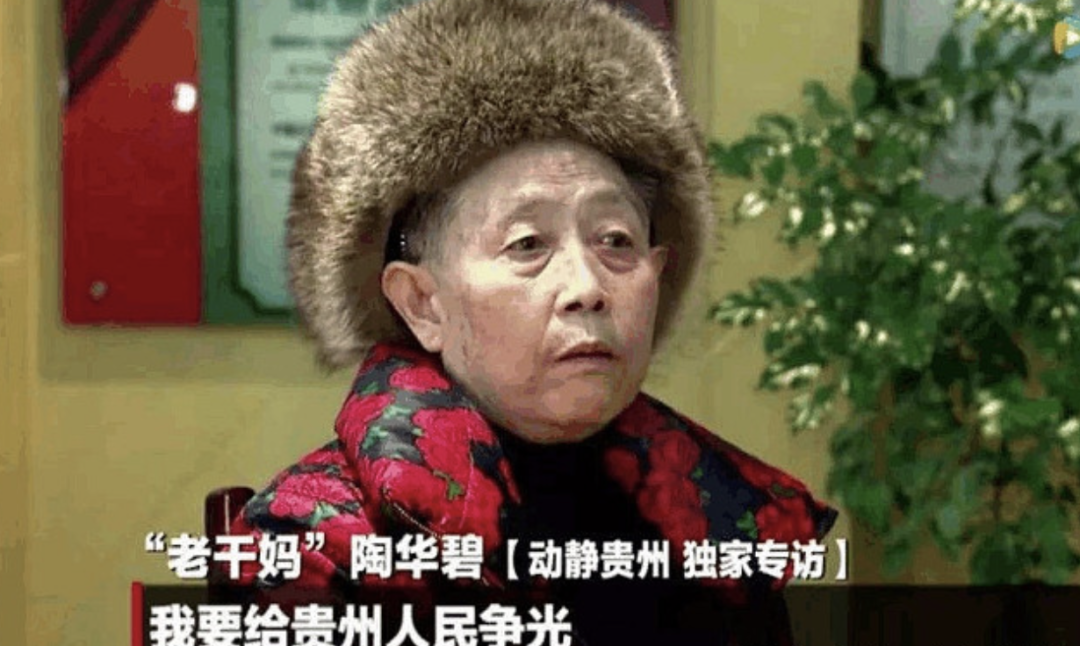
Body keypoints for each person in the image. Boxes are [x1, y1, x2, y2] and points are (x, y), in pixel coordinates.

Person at [225, 0, 838, 644]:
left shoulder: (722, 528)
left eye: (616, 241)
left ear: (659, 273)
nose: (586, 288)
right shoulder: (313, 547)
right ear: (422, 302)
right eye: (527, 245)